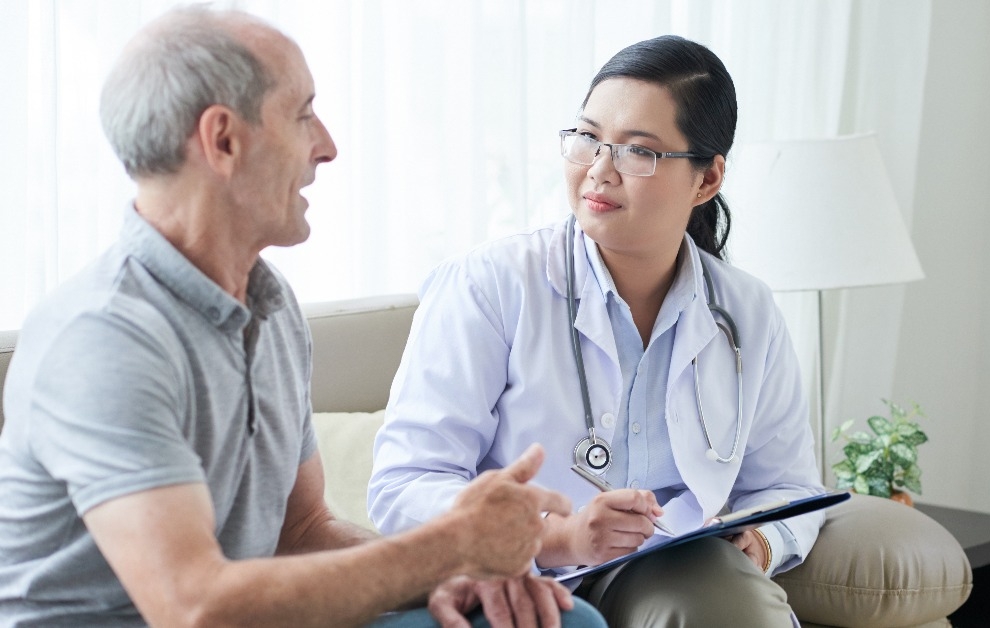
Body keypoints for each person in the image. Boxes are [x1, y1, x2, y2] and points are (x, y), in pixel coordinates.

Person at [0, 6, 606, 628]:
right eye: (303, 114)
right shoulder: (103, 338)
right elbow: (193, 606)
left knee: (562, 622)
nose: (328, 147)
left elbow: (302, 528)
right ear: (224, 140)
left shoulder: (269, 306)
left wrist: (447, 581)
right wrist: (449, 546)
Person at [369, 35, 825, 627]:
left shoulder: (745, 310)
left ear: (707, 179)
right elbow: (405, 485)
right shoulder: (492, 284)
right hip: (520, 577)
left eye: (638, 152)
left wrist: (762, 541)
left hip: (672, 571)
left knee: (722, 597)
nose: (599, 171)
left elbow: (786, 485)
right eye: (588, 139)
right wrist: (559, 535)